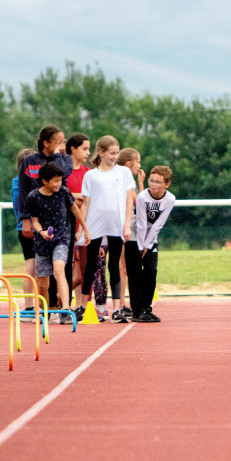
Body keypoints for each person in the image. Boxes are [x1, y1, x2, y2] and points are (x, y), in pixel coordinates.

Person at [78, 136, 135, 323]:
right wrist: (83, 228)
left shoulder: (124, 172)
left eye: (117, 153)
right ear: (101, 153)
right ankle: (83, 307)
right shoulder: (91, 176)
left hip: (116, 225)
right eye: (112, 153)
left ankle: (117, 308)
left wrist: (127, 224)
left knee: (115, 267)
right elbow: (85, 203)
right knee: (91, 266)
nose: (115, 156)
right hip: (95, 225)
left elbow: (129, 200)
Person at [24, 163, 91, 323]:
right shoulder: (33, 197)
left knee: (59, 268)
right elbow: (35, 221)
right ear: (44, 181)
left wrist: (85, 229)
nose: (58, 184)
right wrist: (41, 232)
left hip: (62, 238)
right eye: (55, 181)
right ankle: (46, 310)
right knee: (42, 283)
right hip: (42, 242)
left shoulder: (63, 192)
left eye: (60, 180)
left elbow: (75, 209)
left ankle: (66, 309)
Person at [127, 165, 176, 322]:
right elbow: (141, 224)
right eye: (151, 180)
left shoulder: (170, 199)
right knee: (135, 273)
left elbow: (157, 224)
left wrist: (148, 246)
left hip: (151, 238)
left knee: (151, 270)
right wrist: (141, 247)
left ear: (166, 184)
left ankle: (146, 308)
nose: (153, 184)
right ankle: (137, 309)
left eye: (158, 182)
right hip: (136, 237)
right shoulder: (142, 197)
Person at [65, 132, 91, 319]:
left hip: (85, 223)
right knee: (70, 270)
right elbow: (59, 193)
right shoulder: (63, 171)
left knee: (84, 269)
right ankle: (60, 300)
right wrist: (75, 196)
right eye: (84, 149)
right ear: (73, 149)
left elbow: (89, 199)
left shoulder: (88, 172)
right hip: (66, 223)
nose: (88, 153)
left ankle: (83, 307)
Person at [117, 148, 145, 317]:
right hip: (123, 225)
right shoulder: (125, 179)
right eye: (138, 161)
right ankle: (120, 304)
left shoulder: (126, 179)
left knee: (124, 268)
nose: (140, 165)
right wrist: (141, 183)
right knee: (122, 267)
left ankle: (122, 304)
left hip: (126, 225)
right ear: (129, 163)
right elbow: (140, 201)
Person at [11, 147, 36, 307]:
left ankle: (29, 306)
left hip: (23, 226)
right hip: (32, 227)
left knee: (31, 266)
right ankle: (33, 305)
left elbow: (16, 208)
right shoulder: (29, 182)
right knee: (34, 267)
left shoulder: (15, 182)